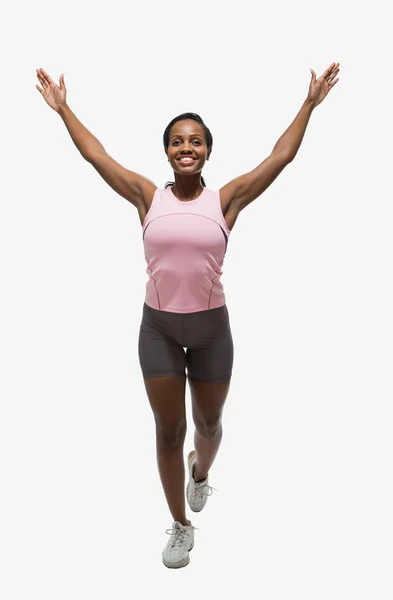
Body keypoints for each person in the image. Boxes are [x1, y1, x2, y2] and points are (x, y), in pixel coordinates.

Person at [36, 62, 340, 568]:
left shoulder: (226, 201)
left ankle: (200, 476)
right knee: (168, 431)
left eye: (196, 141)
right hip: (156, 328)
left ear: (207, 151)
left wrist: (309, 103)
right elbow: (97, 156)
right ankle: (181, 524)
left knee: (209, 424)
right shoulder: (146, 197)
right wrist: (63, 108)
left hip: (210, 331)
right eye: (178, 141)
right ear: (167, 150)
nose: (186, 148)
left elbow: (280, 157)